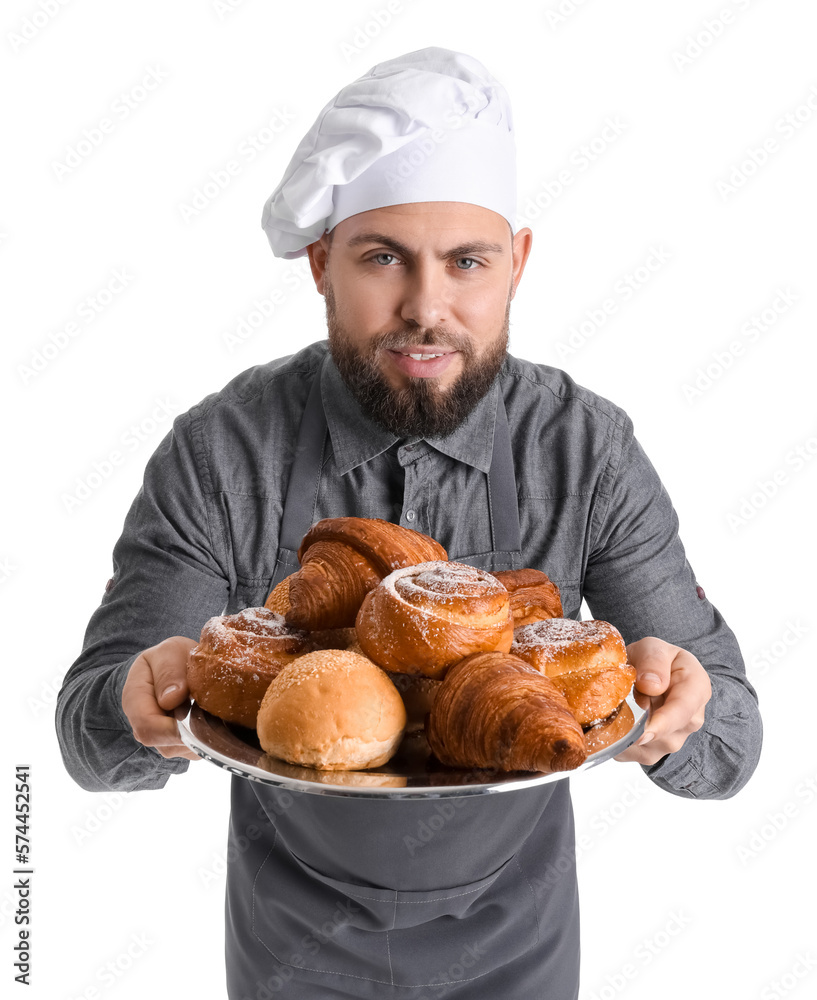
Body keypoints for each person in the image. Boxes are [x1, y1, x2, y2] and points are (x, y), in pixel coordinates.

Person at [56, 47, 762, 999]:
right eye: (382, 258)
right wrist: (129, 704)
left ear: (514, 263)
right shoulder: (222, 450)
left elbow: (731, 744)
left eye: (465, 262)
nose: (426, 309)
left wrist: (683, 711)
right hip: (290, 943)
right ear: (319, 266)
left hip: (519, 942)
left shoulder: (584, 451)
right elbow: (86, 731)